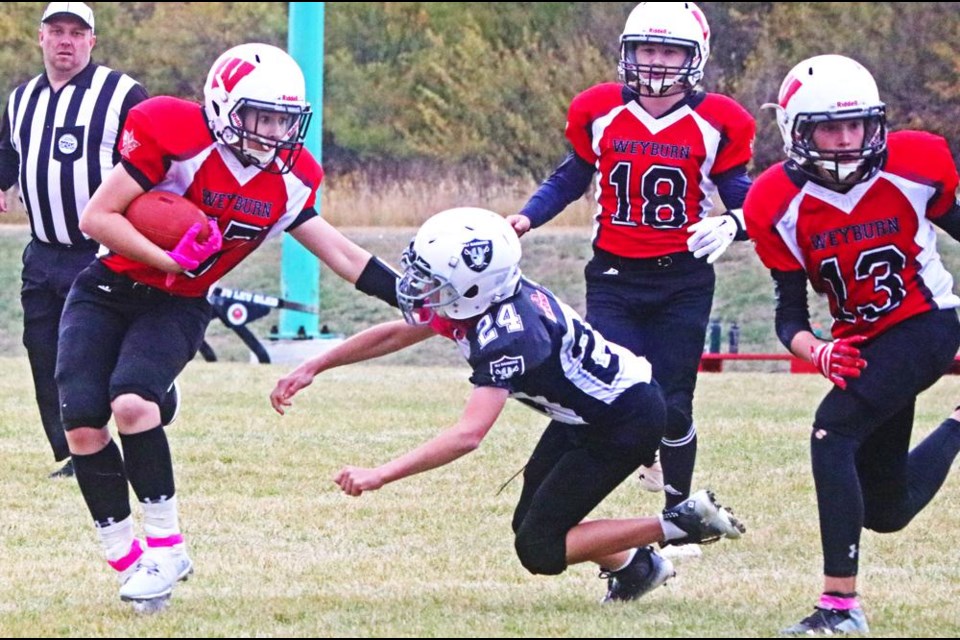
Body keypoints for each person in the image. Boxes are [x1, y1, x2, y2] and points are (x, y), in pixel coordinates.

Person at [57, 42, 400, 610]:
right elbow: (96, 217)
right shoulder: (175, 136)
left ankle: (167, 548)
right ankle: (126, 557)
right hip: (107, 289)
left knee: (133, 404)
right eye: (258, 116)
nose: (271, 131)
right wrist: (170, 256)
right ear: (221, 105)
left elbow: (340, 252)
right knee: (82, 425)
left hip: (179, 303)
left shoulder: (288, 179)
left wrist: (407, 292)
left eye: (282, 119)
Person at [271, 207, 745, 603]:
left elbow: (467, 435)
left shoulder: (508, 334)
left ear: (474, 286)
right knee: (533, 524)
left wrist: (381, 474)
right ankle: (639, 570)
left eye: (432, 279)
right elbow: (401, 330)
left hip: (624, 419)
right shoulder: (482, 299)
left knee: (539, 549)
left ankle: (678, 524)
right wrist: (316, 365)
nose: (419, 287)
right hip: (592, 410)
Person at [506, 2, 756, 546]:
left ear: (695, 58)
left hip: (682, 280)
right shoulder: (599, 110)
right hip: (615, 277)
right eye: (647, 49)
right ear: (627, 52)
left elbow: (750, 199)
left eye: (669, 51)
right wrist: (526, 217)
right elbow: (570, 176)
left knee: (673, 400)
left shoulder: (717, 121)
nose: (657, 62)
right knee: (610, 390)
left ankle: (681, 512)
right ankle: (628, 477)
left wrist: (736, 222)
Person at [744, 54, 960, 635]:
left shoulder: (916, 165)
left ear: (875, 123)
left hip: (927, 323)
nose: (845, 140)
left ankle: (839, 608)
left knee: (832, 431)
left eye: (855, 125)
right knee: (885, 510)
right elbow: (789, 315)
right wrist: (815, 349)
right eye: (828, 128)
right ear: (796, 132)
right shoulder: (774, 203)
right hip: (864, 344)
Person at [0, 2, 148, 479]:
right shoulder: (22, 99)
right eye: (56, 30)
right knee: (44, 352)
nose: (66, 40)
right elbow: (7, 155)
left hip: (101, 252)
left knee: (89, 353)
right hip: (42, 252)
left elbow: (153, 163)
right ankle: (73, 453)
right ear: (40, 37)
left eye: (76, 32)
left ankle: (138, 416)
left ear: (92, 41)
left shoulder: (122, 93)